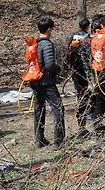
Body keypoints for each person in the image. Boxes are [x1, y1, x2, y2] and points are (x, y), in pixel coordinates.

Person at [30, 17, 65, 150]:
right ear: (50, 29)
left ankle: (39, 139)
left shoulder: (34, 43)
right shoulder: (47, 44)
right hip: (46, 81)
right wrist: (59, 70)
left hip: (35, 80)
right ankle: (59, 141)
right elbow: (50, 64)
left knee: (39, 109)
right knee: (58, 108)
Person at [65, 18, 92, 138]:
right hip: (85, 70)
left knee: (79, 92)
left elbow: (68, 51)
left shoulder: (73, 36)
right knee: (87, 92)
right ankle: (87, 114)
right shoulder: (88, 37)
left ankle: (82, 113)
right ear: (88, 26)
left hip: (75, 70)